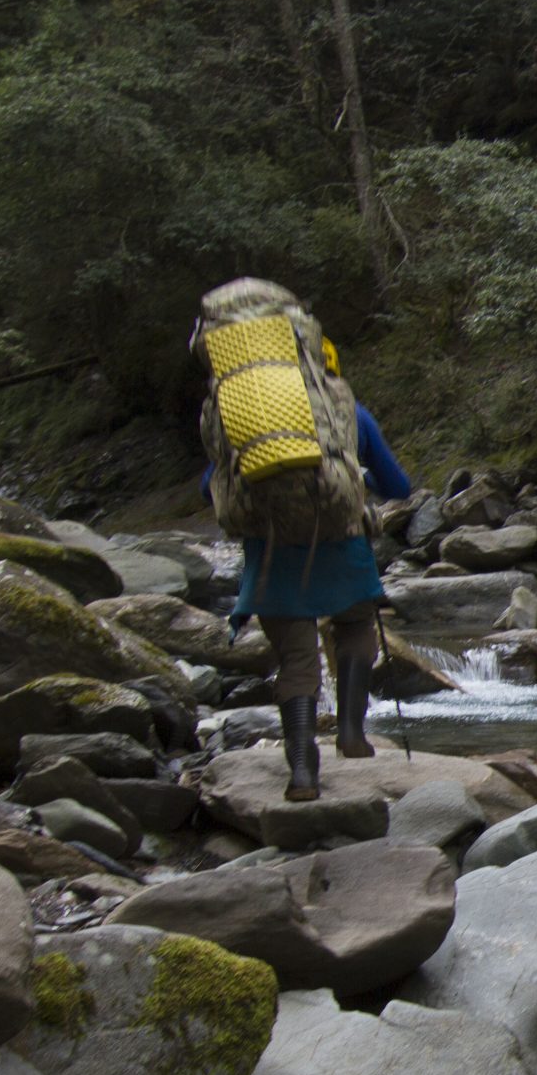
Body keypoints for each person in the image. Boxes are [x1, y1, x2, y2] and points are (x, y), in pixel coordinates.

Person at [194, 280, 414, 801]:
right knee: (356, 624)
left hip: (270, 553)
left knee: (296, 661)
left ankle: (302, 774)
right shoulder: (345, 407)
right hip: (342, 542)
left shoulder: (227, 406)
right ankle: (353, 731)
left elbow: (212, 485)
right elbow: (399, 486)